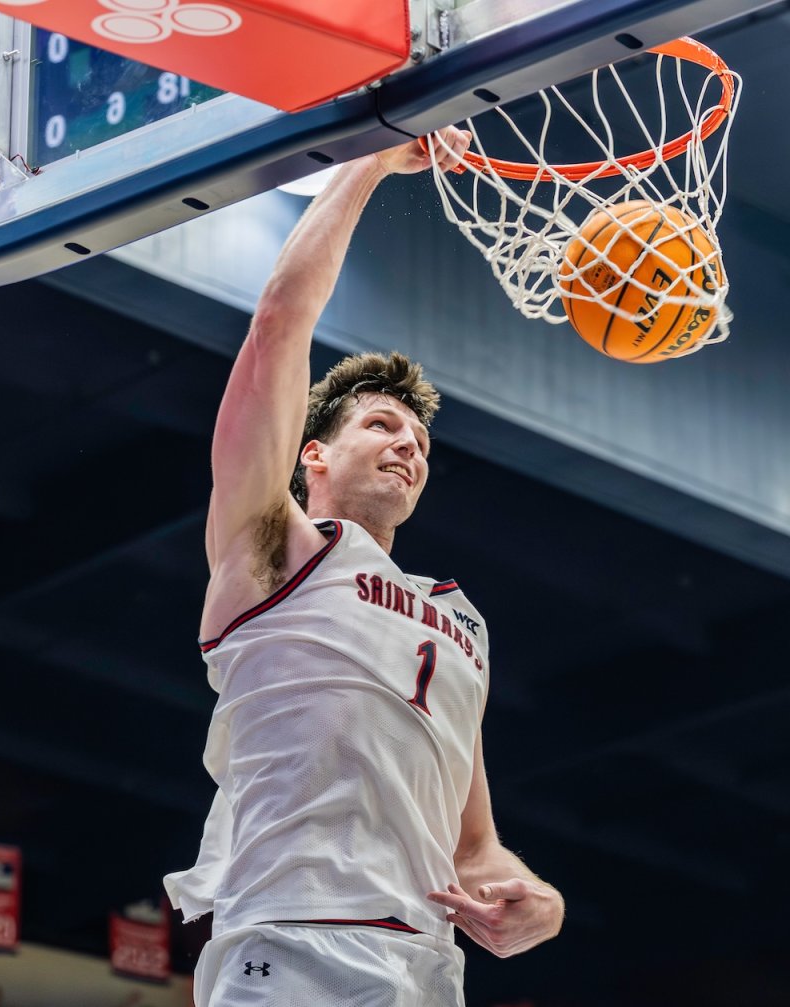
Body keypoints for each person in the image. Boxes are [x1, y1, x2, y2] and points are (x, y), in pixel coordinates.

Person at [164, 128, 565, 1006]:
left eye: (419, 440)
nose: (407, 445)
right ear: (313, 455)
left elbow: (475, 844)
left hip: (426, 964)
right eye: (382, 425)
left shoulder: (461, 623)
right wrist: (373, 160)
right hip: (293, 931)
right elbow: (278, 324)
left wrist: (536, 898)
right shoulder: (273, 547)